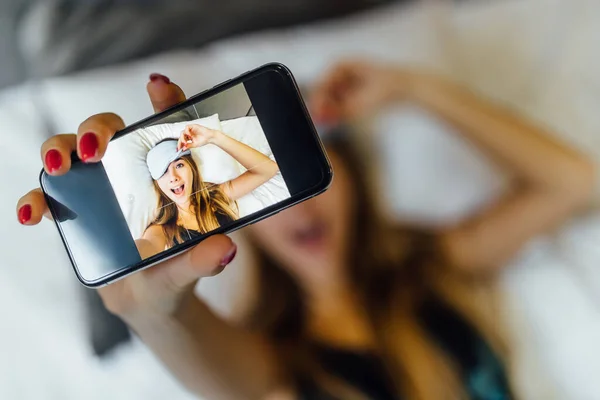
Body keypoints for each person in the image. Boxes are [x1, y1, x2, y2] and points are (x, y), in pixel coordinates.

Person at [16, 65, 594, 399]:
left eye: (309, 172)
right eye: (266, 193)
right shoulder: (272, 354)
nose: (296, 212)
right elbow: (213, 367)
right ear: (245, 213)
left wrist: (415, 89)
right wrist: (149, 313)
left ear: (349, 180)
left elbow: (578, 183)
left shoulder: (429, 264)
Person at [142, 122, 279, 254]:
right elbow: (146, 249)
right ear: (157, 184)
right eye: (164, 171)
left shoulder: (216, 196)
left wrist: (214, 137)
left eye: (179, 165)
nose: (173, 177)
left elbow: (268, 169)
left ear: (192, 168)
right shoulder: (161, 230)